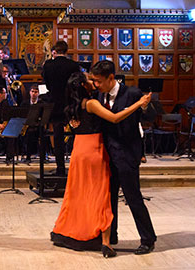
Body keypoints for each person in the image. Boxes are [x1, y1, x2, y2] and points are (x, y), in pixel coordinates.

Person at [51, 72, 151, 258]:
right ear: (82, 85)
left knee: (78, 194)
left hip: (78, 151)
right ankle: (105, 242)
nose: (93, 83)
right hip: (94, 151)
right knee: (100, 195)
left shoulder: (70, 107)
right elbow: (114, 118)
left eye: (95, 80)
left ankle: (79, 232)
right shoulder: (92, 103)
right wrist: (137, 105)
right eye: (89, 80)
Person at [91, 60, 157, 255]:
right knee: (109, 199)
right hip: (108, 155)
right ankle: (110, 237)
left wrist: (144, 107)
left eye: (99, 81)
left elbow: (151, 115)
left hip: (128, 154)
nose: (96, 85)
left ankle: (148, 239)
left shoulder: (133, 94)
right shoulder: (99, 95)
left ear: (111, 78)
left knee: (133, 197)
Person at [42, 40, 80, 176]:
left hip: (55, 104)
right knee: (77, 135)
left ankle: (60, 168)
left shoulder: (48, 65)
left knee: (57, 137)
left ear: (54, 51)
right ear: (66, 51)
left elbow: (46, 85)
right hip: (71, 104)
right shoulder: (74, 65)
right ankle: (77, 167)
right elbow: (77, 85)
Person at [20, 84, 43, 163]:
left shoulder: (41, 103)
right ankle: (28, 156)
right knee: (29, 133)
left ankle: (43, 156)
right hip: (27, 126)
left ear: (38, 93)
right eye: (32, 91)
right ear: (29, 92)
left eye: (36, 92)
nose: (34, 94)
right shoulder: (24, 103)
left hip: (38, 125)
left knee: (43, 133)